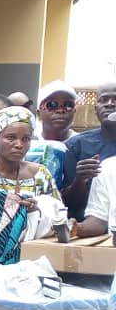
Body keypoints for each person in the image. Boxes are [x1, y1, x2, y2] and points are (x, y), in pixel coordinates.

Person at [0, 106, 61, 246]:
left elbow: (59, 218)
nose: (19, 145)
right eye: (11, 138)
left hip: (31, 257)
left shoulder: (41, 175)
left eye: (25, 139)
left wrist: (38, 211)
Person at [60, 81, 116, 221]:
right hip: (86, 230)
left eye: (115, 99)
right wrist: (80, 180)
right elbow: (67, 204)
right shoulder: (75, 145)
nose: (110, 104)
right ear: (95, 108)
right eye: (103, 100)